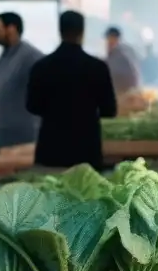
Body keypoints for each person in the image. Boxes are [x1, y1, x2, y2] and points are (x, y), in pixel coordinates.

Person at [28, 11, 117, 170]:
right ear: (82, 32)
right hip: (86, 152)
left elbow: (32, 106)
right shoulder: (97, 68)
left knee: (51, 193)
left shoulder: (41, 67)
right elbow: (110, 110)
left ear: (59, 31)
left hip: (50, 150)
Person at [0, 12, 43, 150]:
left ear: (11, 29)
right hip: (2, 135)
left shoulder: (30, 56)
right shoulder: (5, 55)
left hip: (22, 136)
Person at [104, 26, 141, 96]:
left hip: (124, 94)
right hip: (131, 93)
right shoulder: (127, 51)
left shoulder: (119, 55)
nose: (108, 43)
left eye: (111, 39)